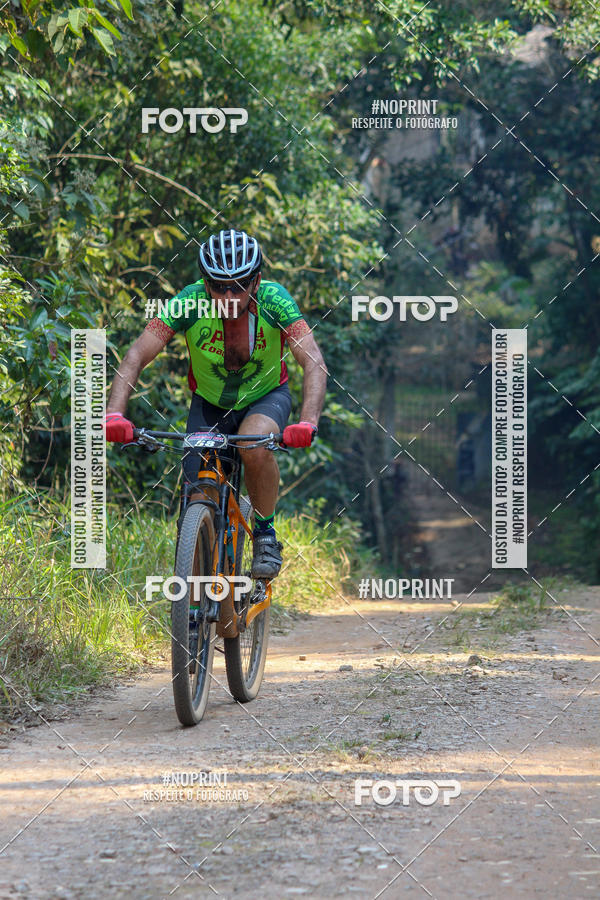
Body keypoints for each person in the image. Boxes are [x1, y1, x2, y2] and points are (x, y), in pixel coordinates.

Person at [104, 228, 328, 578]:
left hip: (265, 398)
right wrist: (114, 414)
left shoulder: (275, 301)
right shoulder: (188, 302)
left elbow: (312, 360)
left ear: (255, 282)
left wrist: (308, 421)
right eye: (217, 285)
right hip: (209, 405)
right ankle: (193, 596)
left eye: (237, 285)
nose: (227, 294)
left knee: (254, 444)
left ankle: (265, 534)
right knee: (197, 495)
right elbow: (135, 355)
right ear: (204, 282)